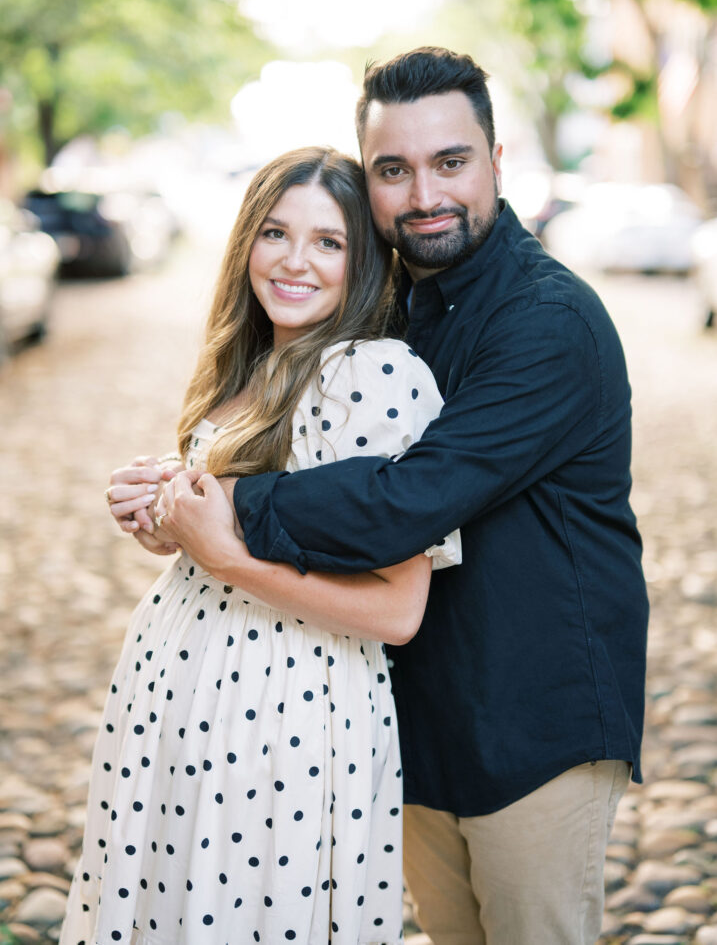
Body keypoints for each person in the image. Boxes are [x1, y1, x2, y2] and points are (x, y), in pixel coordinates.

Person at [146, 48, 649, 945]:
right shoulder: (390, 313)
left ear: (498, 159)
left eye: (449, 162)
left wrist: (225, 510)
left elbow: (408, 501)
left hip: (535, 725)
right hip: (415, 717)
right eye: (393, 169)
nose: (423, 193)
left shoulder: (547, 323)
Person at [60, 146, 460, 945]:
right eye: (275, 232)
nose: (294, 261)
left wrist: (225, 558)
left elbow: (398, 609)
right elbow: (226, 536)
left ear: (366, 263)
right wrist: (162, 518)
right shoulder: (248, 365)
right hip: (181, 706)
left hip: (283, 724)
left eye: (328, 242)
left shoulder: (369, 375)